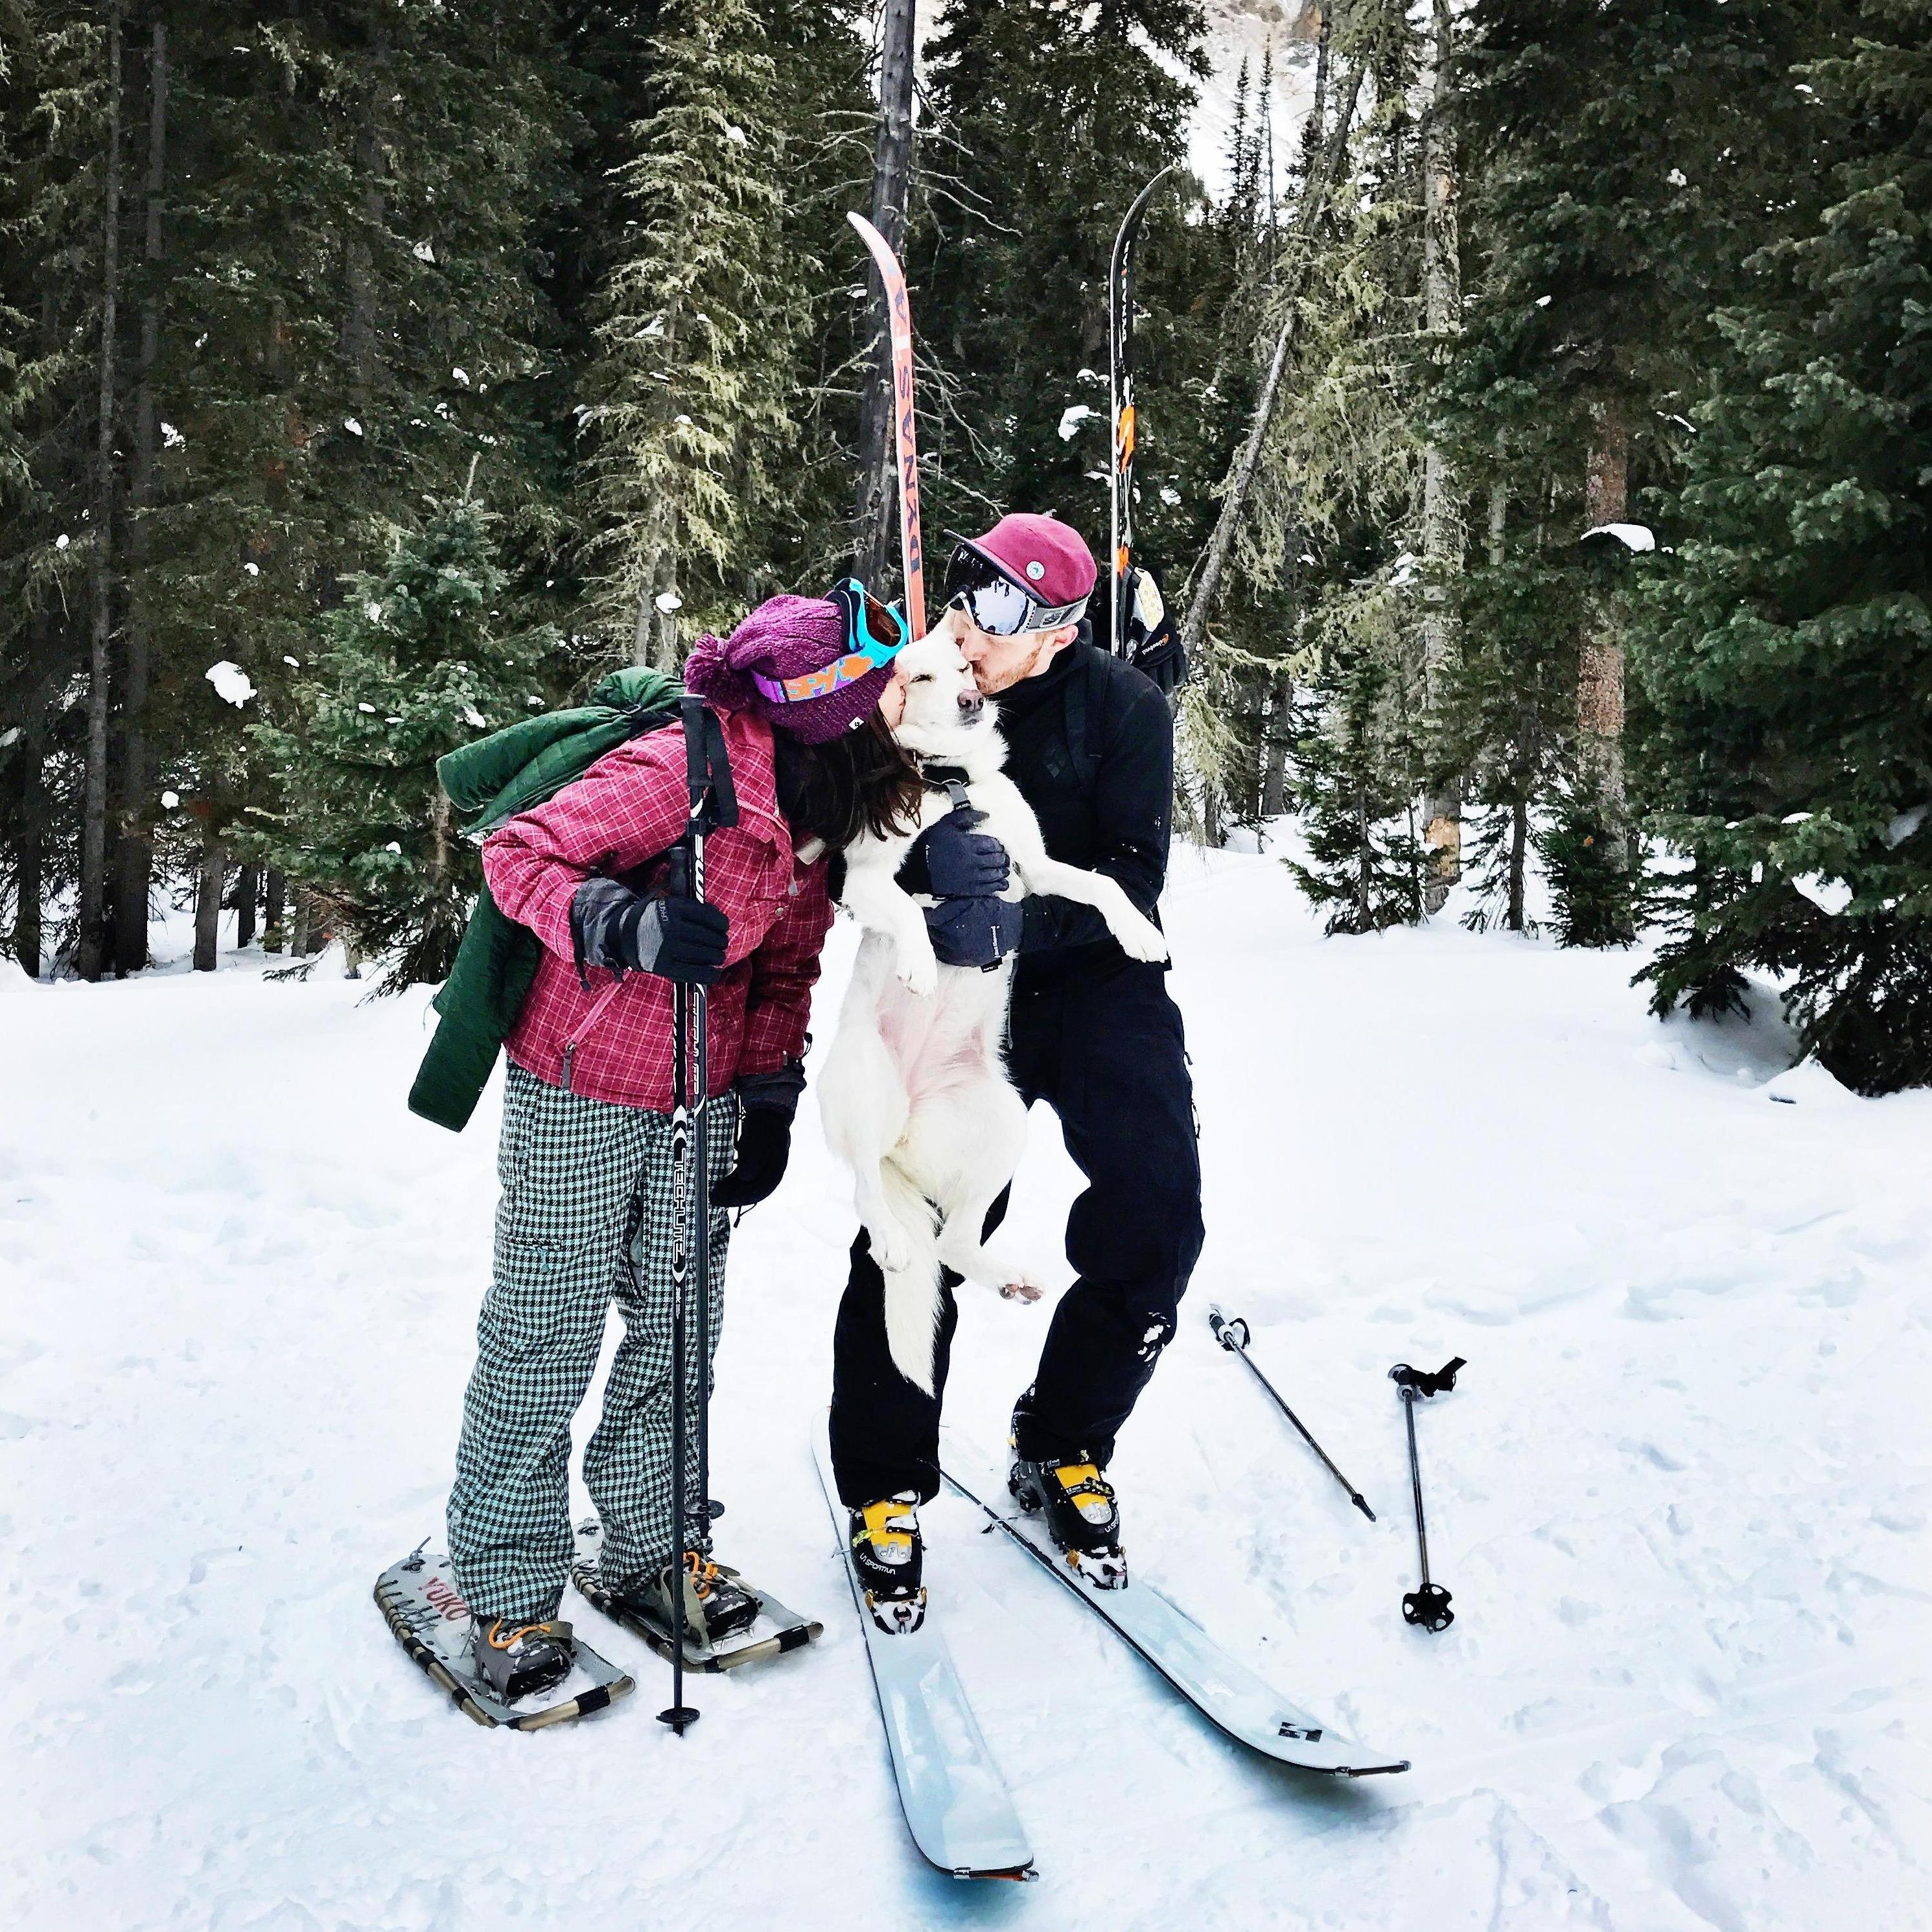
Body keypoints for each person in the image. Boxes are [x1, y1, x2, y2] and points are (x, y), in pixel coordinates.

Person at [447, 585, 924, 1701]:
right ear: (819, 696)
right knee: (547, 1329)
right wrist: (625, 922)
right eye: (871, 680)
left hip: (700, 1093)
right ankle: (506, 1587)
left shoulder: (821, 784)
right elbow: (517, 856)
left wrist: (766, 1089)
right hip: (580, 1078)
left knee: (677, 1327)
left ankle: (651, 1546)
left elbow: (785, 962)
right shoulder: (683, 763)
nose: (890, 697)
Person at [828, 513, 1204, 1609]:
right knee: (911, 1229)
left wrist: (999, 918)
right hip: (946, 1001)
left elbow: (1134, 877)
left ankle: (1063, 1439)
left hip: (1089, 984)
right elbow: (843, 835)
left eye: (998, 613)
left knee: (1157, 1215)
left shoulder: (1123, 710)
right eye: (963, 590)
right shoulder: (912, 680)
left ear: (1057, 633)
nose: (967, 627)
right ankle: (885, 1484)